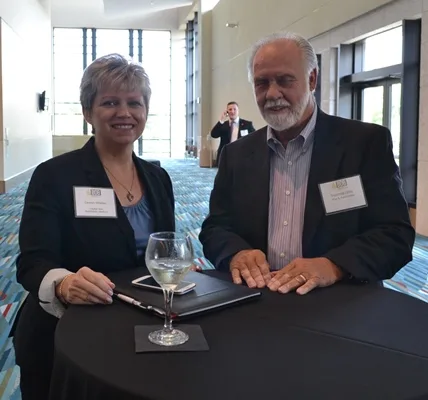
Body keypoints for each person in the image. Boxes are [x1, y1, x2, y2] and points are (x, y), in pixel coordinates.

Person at [12, 54, 177, 399]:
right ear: (88, 112)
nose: (124, 112)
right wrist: (63, 284)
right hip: (68, 333)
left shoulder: (158, 178)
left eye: (135, 103)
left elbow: (165, 251)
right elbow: (32, 263)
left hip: (136, 326)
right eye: (110, 102)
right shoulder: (55, 175)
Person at [199, 32, 415, 296]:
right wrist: (236, 253)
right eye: (261, 83)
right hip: (257, 301)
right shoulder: (236, 154)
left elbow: (395, 235)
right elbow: (215, 228)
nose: (272, 93)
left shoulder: (364, 144)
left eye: (284, 80)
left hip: (338, 302)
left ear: (312, 79)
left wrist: (334, 265)